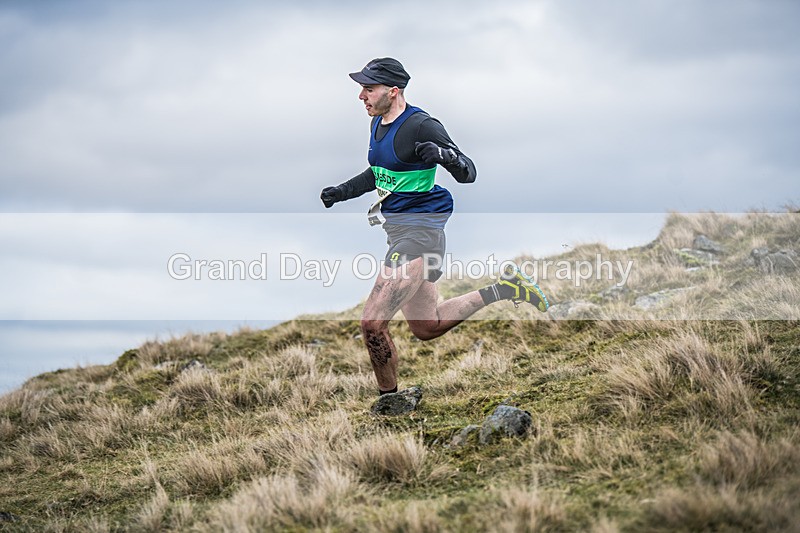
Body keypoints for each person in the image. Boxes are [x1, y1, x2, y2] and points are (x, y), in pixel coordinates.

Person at [321, 58, 549, 396]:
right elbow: (379, 173)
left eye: (368, 89)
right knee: (427, 326)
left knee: (372, 323)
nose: (361, 96)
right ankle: (506, 289)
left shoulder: (422, 126)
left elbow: (468, 172)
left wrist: (444, 155)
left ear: (393, 91)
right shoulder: (377, 123)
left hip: (421, 232)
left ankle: (389, 402)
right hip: (399, 231)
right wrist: (342, 191)